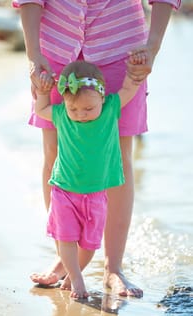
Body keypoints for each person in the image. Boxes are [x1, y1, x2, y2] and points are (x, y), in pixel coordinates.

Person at [13, 0, 181, 297]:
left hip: (122, 49)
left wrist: (152, 46)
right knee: (54, 154)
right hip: (55, 45)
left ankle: (113, 268)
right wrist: (33, 53)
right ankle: (66, 261)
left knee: (117, 158)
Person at [34, 59, 142, 299]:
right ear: (65, 103)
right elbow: (42, 110)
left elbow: (128, 90)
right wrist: (42, 92)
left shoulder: (111, 108)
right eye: (74, 109)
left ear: (102, 98)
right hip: (64, 190)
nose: (81, 115)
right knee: (66, 236)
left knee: (90, 243)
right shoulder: (62, 114)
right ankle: (77, 280)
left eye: (88, 109)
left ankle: (74, 274)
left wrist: (135, 70)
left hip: (96, 193)